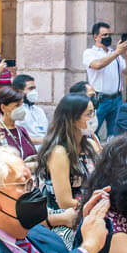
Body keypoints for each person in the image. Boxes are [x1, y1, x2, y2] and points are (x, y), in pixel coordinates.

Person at [35, 94, 99, 239]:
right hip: (68, 217)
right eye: (89, 114)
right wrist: (97, 205)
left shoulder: (90, 145)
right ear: (73, 119)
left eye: (93, 112)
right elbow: (64, 202)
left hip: (90, 208)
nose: (93, 118)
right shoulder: (59, 152)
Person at [83, 22, 127, 137]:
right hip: (99, 100)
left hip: (117, 99)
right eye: (104, 35)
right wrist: (117, 52)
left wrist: (126, 55)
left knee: (116, 135)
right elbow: (97, 65)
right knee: (91, 132)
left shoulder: (116, 54)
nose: (108, 37)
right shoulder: (89, 53)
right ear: (95, 37)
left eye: (109, 35)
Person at [0, 87, 38, 159]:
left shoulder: (21, 130)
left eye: (22, 105)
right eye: (17, 105)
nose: (21, 109)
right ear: (3, 107)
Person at [11, 74, 48, 141]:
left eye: (34, 88)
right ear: (19, 91)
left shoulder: (39, 111)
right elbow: (16, 138)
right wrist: (45, 141)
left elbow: (46, 132)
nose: (34, 92)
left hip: (45, 147)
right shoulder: (15, 111)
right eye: (30, 89)